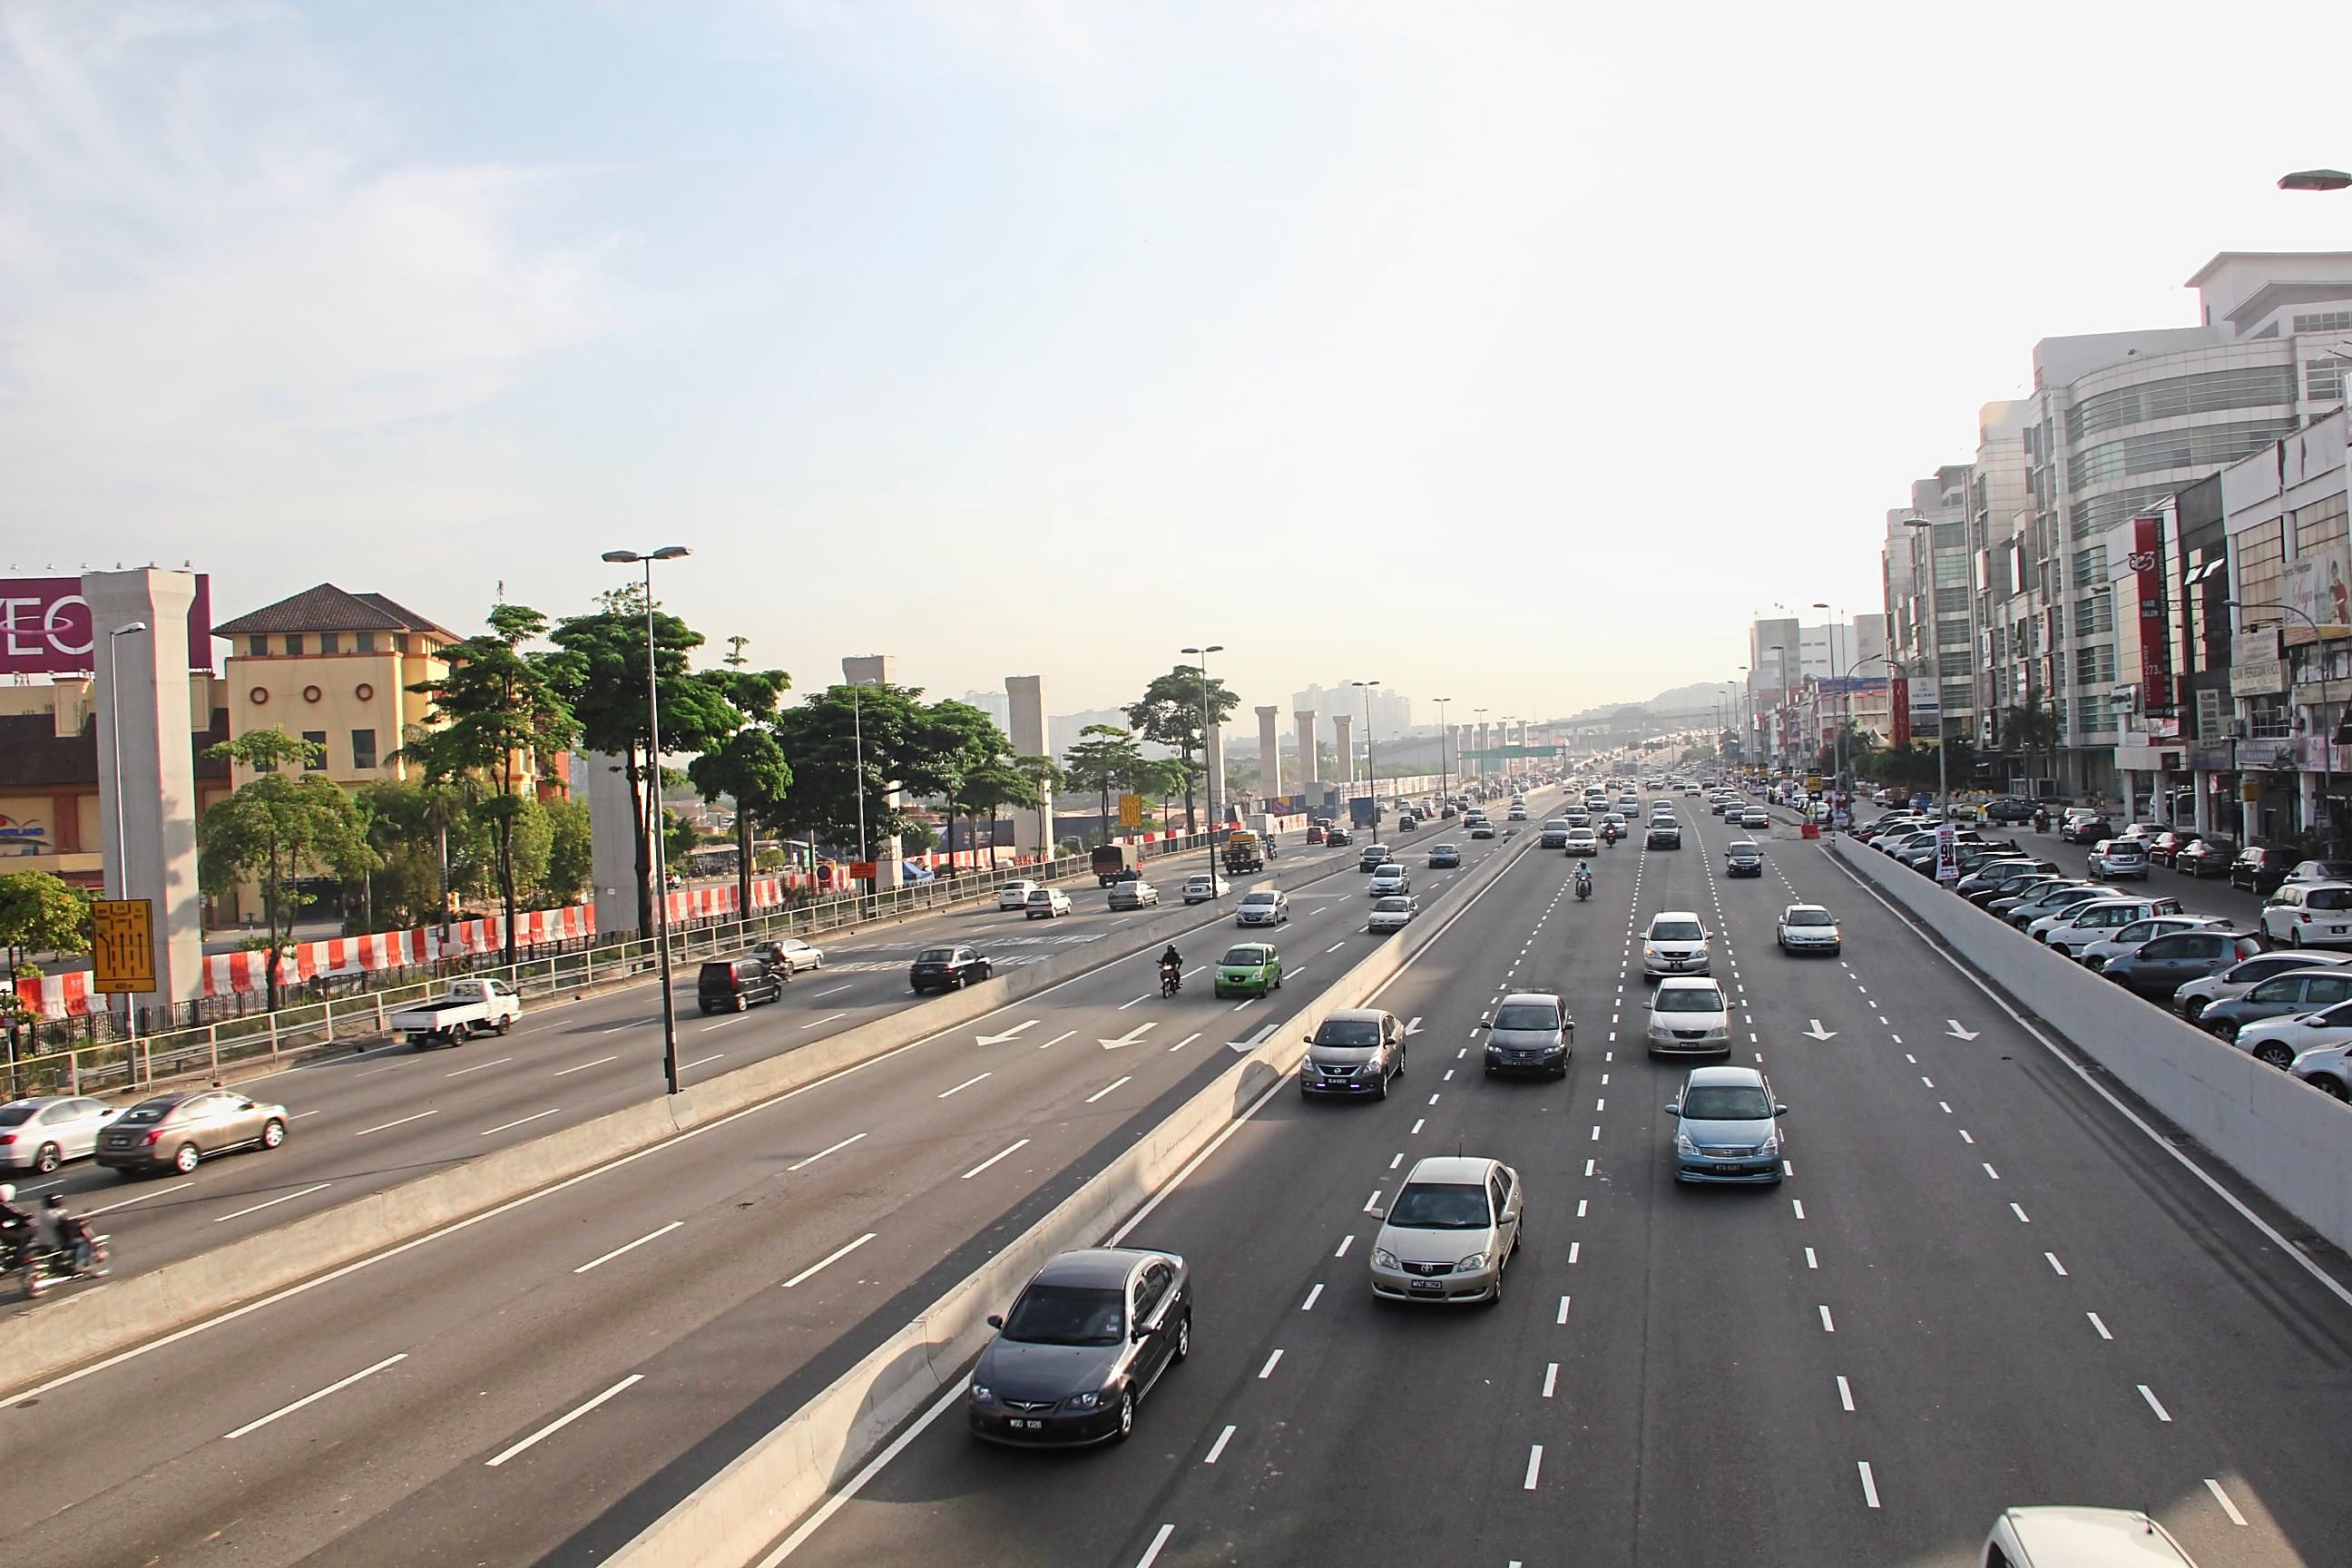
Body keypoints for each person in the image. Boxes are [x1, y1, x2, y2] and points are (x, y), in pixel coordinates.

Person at [43, 1193, 93, 1275]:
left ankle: (67, 1263)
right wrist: (82, 1223)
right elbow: (67, 1226)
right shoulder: (55, 1214)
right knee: (83, 1242)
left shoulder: (43, 1213)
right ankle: (77, 1266)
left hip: (42, 1242)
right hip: (54, 1243)